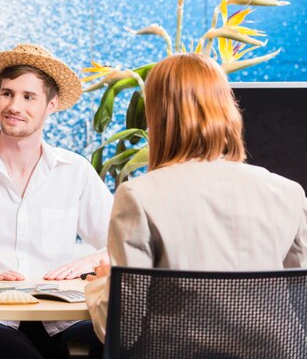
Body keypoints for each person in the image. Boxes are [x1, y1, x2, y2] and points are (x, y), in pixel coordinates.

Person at [85, 53, 307, 348]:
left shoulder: (138, 196)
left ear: (157, 117)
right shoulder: (289, 193)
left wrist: (102, 284)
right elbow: (295, 300)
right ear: (228, 109)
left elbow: (122, 331)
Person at [0, 44, 114, 359]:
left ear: (51, 105)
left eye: (28, 97)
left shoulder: (75, 171)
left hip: (56, 319)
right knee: (0, 346)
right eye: (7, 93)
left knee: (126, 337)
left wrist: (88, 261)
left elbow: (121, 245)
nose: (14, 106)